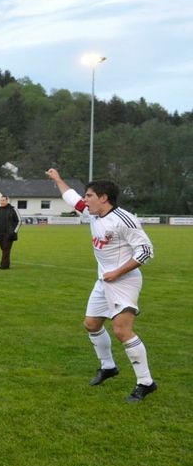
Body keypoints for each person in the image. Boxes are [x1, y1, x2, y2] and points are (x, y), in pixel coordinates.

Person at [46, 169, 158, 403]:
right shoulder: (93, 214)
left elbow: (146, 251)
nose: (85, 200)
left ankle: (146, 383)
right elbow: (71, 197)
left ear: (103, 197)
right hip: (104, 280)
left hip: (124, 281)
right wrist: (57, 179)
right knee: (92, 324)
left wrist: (117, 272)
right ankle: (108, 367)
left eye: (89, 196)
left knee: (121, 330)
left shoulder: (124, 219)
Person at [0, 195, 21, 269]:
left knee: (6, 249)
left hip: (9, 234)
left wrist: (14, 232)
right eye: (1, 200)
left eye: (3, 200)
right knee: (4, 249)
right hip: (0, 234)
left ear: (7, 200)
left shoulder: (13, 209)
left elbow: (19, 221)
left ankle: (3, 266)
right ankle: (6, 264)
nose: (2, 202)